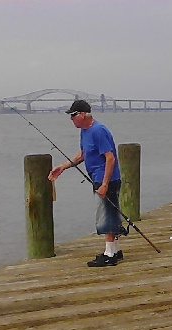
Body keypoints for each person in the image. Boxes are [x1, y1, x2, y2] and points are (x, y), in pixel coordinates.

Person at [49, 100, 125, 267]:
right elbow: (82, 154)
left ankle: (109, 255)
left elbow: (110, 158)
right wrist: (62, 167)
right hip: (97, 178)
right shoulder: (84, 131)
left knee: (107, 215)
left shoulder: (98, 131)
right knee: (109, 212)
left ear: (82, 114)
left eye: (73, 115)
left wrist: (105, 184)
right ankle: (115, 251)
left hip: (107, 179)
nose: (71, 119)